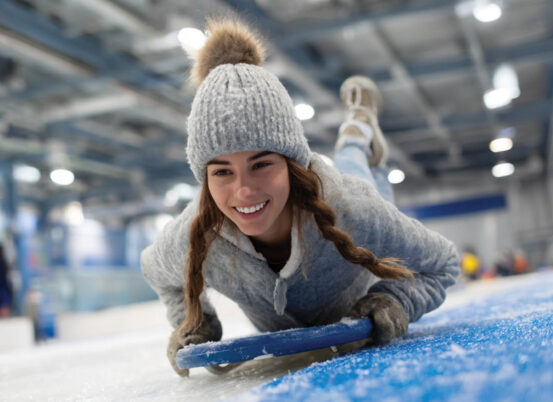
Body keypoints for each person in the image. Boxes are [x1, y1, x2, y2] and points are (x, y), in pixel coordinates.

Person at [141, 18, 460, 377]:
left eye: (261, 164)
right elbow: (157, 272)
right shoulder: (193, 234)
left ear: (292, 164)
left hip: (341, 203)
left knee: (356, 172)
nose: (243, 190)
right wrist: (196, 321)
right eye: (222, 172)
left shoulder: (354, 210)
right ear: (204, 177)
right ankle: (352, 134)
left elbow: (444, 263)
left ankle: (356, 131)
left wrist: (394, 299)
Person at [0, 243, 13, 317]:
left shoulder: (3, 262)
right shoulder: (4, 262)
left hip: (3, 287)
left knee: (5, 305)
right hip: (3, 287)